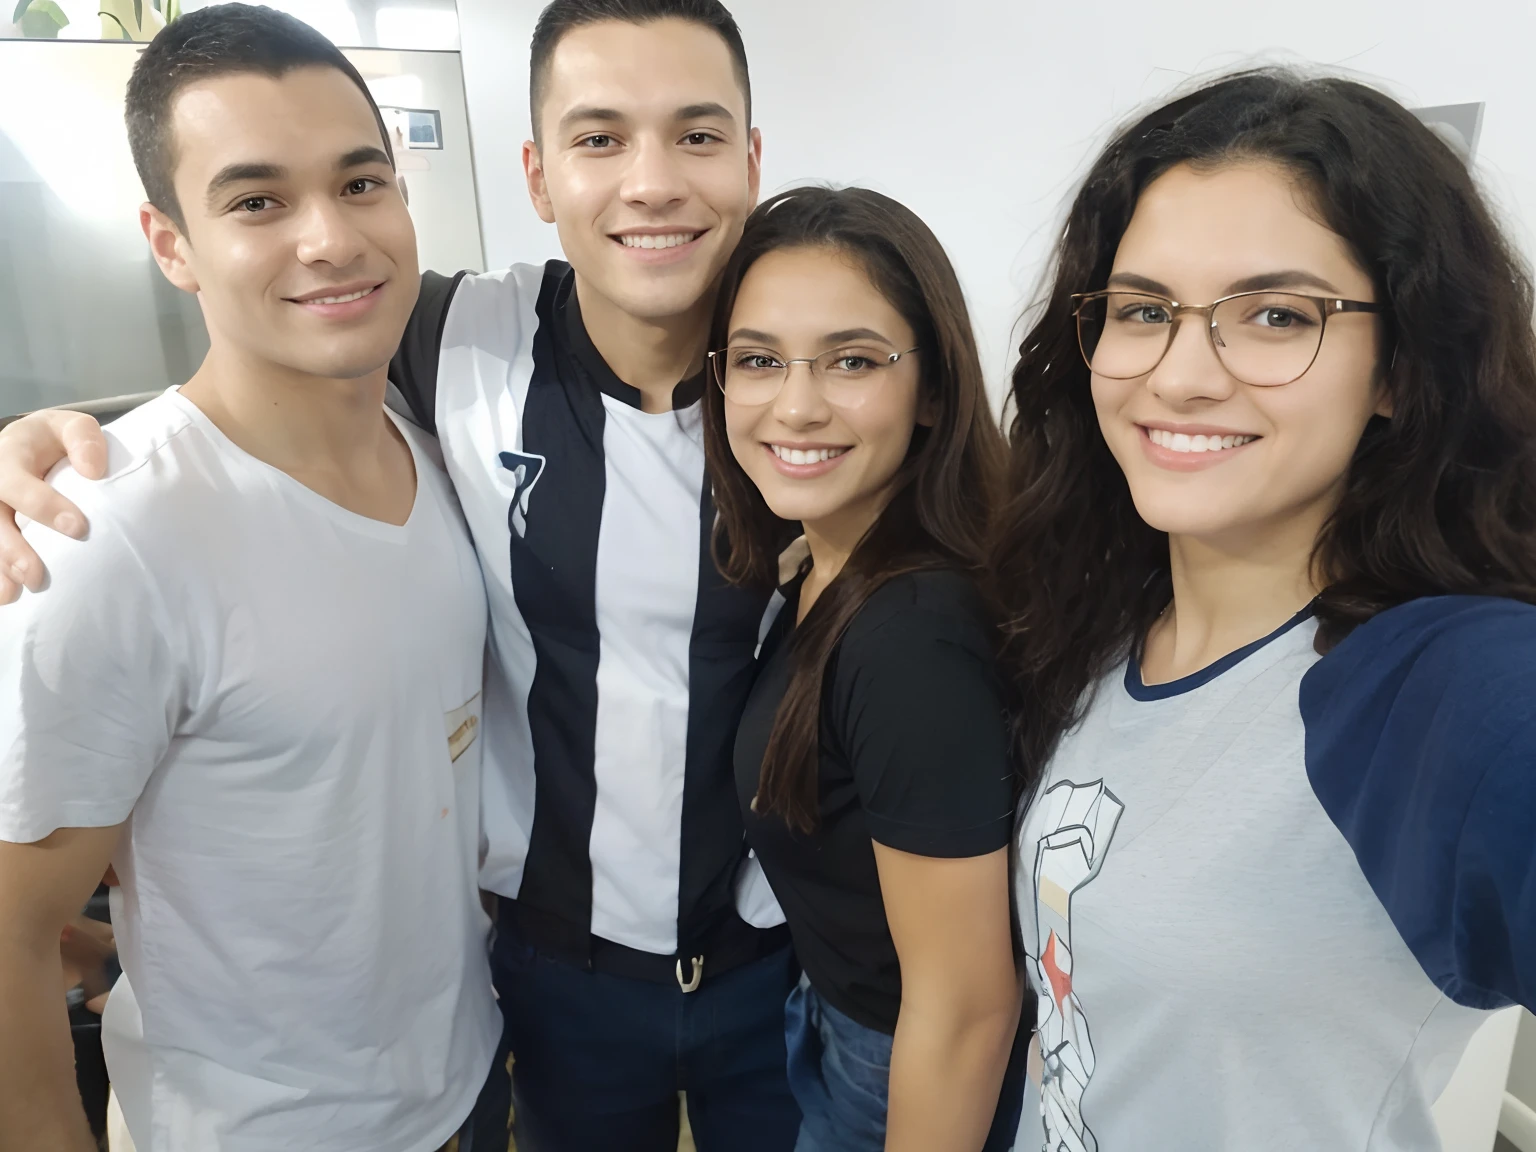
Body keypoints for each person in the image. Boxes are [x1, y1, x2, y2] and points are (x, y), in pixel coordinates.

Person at [0, 2, 802, 1148]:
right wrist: (49, 447)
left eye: (361, 184)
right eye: (598, 138)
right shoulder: (448, 352)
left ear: (751, 157)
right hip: (310, 1096)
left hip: (521, 1046)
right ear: (535, 173)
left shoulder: (807, 365)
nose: (652, 182)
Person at [992, 69, 1536, 1151]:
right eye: (1144, 310)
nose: (1183, 374)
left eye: (1277, 315)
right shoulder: (1102, 628)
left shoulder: (1443, 683)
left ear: (1398, 368)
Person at [0, 7, 503, 1150]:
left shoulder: (435, 454)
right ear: (170, 242)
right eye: (257, 201)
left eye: (361, 182)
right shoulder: (107, 534)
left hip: (466, 1090)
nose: (329, 238)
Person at [703, 186, 1025, 1151]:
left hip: (901, 1066)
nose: (795, 405)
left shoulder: (912, 635)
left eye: (852, 360)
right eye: (758, 361)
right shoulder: (821, 563)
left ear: (933, 391)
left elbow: (965, 1006)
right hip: (838, 1022)